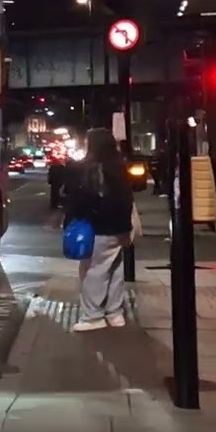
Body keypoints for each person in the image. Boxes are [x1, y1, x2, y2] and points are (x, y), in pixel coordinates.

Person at [64, 128, 136, 332]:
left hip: (98, 228)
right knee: (114, 271)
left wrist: (71, 218)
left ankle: (93, 316)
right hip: (120, 229)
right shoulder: (119, 167)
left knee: (93, 272)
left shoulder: (91, 169)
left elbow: (82, 200)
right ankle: (115, 314)